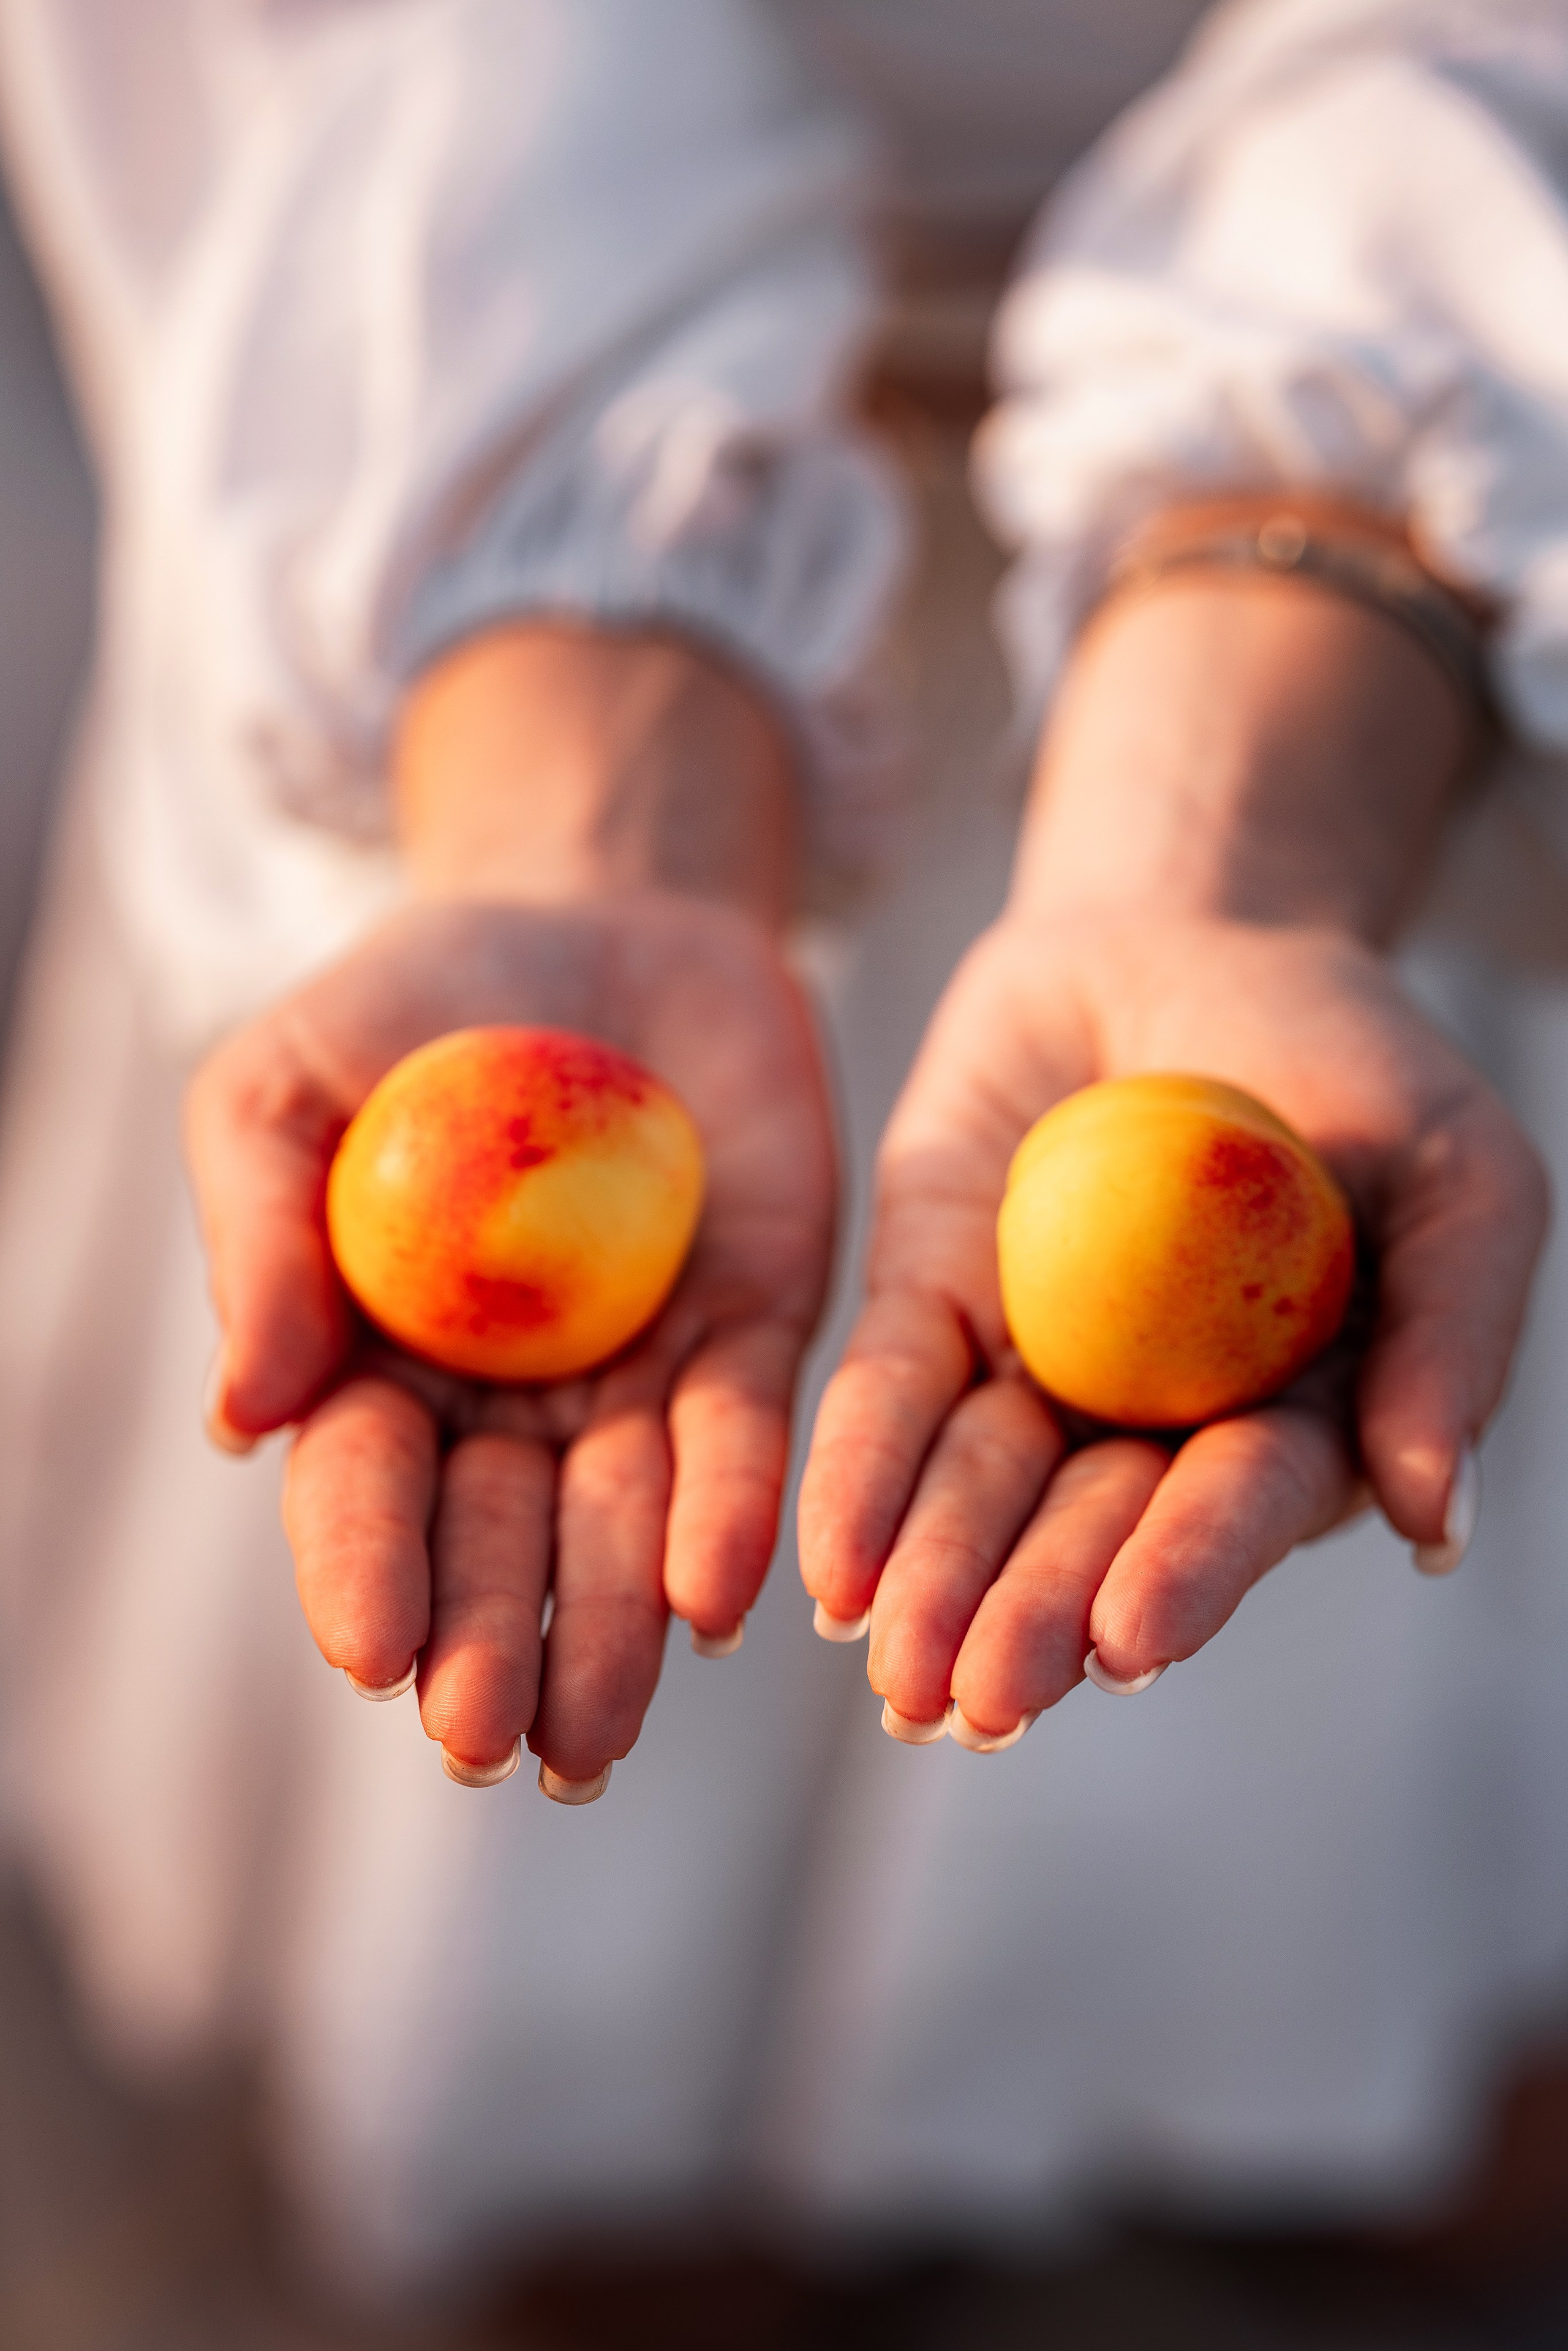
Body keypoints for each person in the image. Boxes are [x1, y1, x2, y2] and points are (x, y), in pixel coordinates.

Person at [2, 0, 1568, 2285]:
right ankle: (651, 2170)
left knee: (1243, 1722)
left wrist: (1254, 779)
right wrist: (570, 753)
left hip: (1367, 620)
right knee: (600, 1804)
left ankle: (1290, 2076)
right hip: (536, 535)